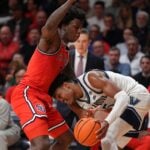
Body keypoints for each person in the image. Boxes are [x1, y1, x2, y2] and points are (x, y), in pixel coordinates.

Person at [11, 0, 85, 150]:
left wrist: (83, 111)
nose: (78, 32)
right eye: (75, 27)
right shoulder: (52, 40)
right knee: (41, 144)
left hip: (44, 98)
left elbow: (73, 84)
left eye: (81, 29)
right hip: (27, 93)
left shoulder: (66, 53)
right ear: (63, 25)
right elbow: (49, 26)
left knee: (66, 139)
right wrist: (70, 2)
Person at [49, 69, 150, 150]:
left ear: (66, 86)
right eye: (58, 99)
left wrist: (107, 121)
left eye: (59, 95)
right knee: (110, 141)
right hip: (123, 109)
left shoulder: (91, 78)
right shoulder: (73, 104)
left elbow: (123, 97)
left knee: (107, 138)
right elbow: (96, 126)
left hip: (135, 94)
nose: (61, 100)